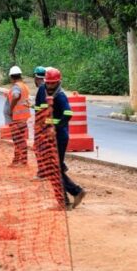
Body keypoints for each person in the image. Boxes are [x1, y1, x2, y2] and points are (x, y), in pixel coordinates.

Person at [44, 67, 87, 209]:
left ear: (58, 82)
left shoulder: (60, 96)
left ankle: (66, 200)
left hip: (59, 137)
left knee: (54, 169)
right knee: (56, 168)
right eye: (48, 83)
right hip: (53, 136)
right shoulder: (50, 95)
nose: (49, 86)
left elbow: (68, 113)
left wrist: (55, 128)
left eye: (52, 83)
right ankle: (75, 192)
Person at [4, 66, 30, 167]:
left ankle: (22, 161)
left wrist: (10, 109)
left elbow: (16, 96)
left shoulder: (16, 86)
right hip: (23, 117)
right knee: (19, 139)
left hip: (17, 118)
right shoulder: (23, 86)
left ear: (11, 77)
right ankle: (17, 160)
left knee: (19, 139)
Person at [32, 66, 51, 179]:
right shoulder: (49, 88)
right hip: (47, 122)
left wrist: (35, 107)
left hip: (41, 123)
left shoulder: (41, 89)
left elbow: (43, 107)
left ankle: (43, 172)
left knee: (39, 147)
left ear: (36, 77)